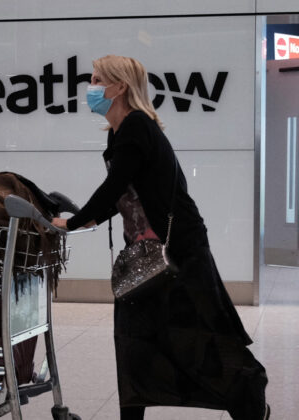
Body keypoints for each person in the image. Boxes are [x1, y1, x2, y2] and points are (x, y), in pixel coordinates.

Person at [51, 55, 269, 420]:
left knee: (203, 336)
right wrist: (85, 220)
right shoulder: (121, 132)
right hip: (144, 256)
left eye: (97, 79)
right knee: (135, 343)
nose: (90, 88)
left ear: (120, 87)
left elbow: (113, 186)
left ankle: (250, 402)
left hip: (179, 252)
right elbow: (124, 193)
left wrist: (74, 223)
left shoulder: (137, 125)